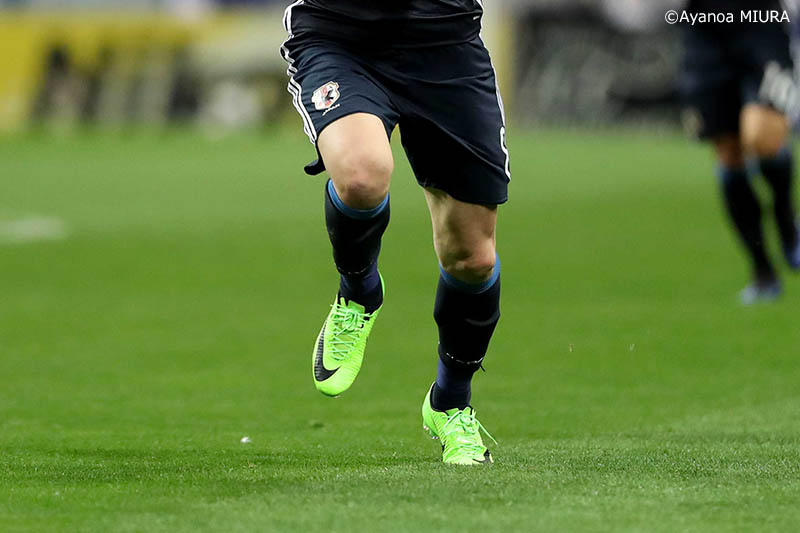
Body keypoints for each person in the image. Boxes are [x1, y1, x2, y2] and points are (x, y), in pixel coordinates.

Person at [280, 0, 509, 464]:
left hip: (446, 43)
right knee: (362, 175)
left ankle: (450, 403)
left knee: (472, 258)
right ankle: (359, 291)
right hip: (340, 36)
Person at [680, 0, 800, 304]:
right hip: (705, 30)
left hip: (759, 23)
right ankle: (763, 271)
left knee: (761, 137)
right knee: (728, 152)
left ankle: (787, 225)